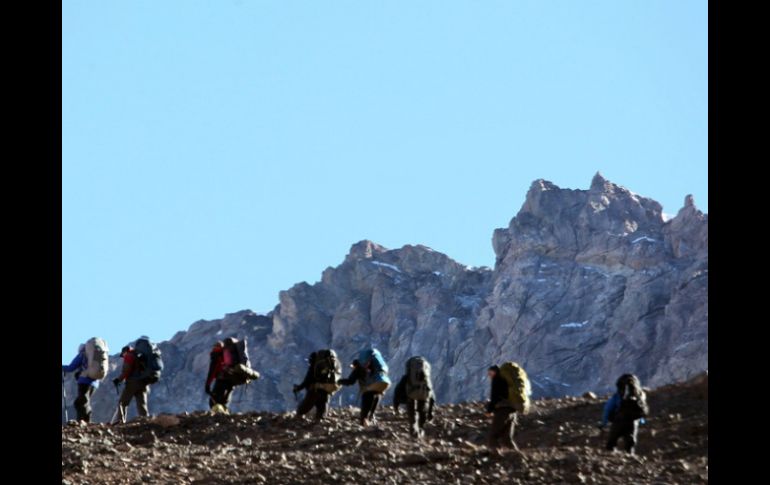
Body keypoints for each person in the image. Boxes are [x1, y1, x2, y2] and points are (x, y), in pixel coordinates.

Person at [112, 337, 162, 423]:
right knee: (142, 404)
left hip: (132, 383)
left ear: (125, 352)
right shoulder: (140, 355)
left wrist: (119, 379)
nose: (123, 357)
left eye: (122, 355)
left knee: (123, 403)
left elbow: (126, 371)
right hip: (143, 382)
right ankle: (145, 421)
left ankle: (120, 421)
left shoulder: (129, 356)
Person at [338, 348, 391, 426]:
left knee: (365, 406)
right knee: (374, 402)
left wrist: (339, 381)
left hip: (372, 387)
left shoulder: (358, 368)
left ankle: (364, 424)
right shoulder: (376, 365)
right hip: (383, 384)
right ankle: (371, 420)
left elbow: (350, 381)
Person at [600, 374, 649, 454]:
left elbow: (608, 409)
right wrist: (641, 421)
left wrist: (604, 423)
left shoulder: (618, 396)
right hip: (632, 423)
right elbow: (640, 410)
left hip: (619, 421)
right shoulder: (640, 396)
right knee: (630, 443)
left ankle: (610, 457)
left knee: (612, 442)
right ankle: (630, 458)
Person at [293, 349, 342, 422]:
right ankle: (320, 422)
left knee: (305, 406)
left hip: (315, 390)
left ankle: (298, 419)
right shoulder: (331, 365)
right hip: (326, 390)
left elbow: (307, 380)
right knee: (322, 407)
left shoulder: (314, 366)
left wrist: (298, 388)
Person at [393, 356, 435, 438]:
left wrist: (396, 406)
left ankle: (413, 429)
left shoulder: (407, 378)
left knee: (412, 413)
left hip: (411, 394)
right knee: (422, 412)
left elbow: (397, 390)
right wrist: (430, 412)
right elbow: (431, 394)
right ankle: (420, 429)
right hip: (424, 395)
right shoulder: (426, 379)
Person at [62, 343, 99, 423]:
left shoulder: (82, 355)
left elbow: (71, 368)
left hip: (85, 382)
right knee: (79, 402)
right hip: (95, 383)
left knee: (82, 402)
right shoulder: (93, 357)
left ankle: (87, 421)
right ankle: (81, 421)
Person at [485, 365, 517, 450]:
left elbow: (494, 397)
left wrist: (489, 411)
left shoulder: (496, 380)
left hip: (502, 411)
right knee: (507, 438)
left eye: (490, 373)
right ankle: (518, 456)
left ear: (495, 372)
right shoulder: (507, 381)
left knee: (493, 436)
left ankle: (494, 455)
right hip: (512, 410)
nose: (489, 375)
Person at [205, 341, 235, 412]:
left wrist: (207, 385)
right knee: (224, 401)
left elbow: (212, 371)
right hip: (231, 381)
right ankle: (226, 417)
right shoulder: (228, 354)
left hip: (221, 380)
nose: (213, 348)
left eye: (215, 346)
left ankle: (218, 417)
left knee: (214, 401)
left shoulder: (216, 355)